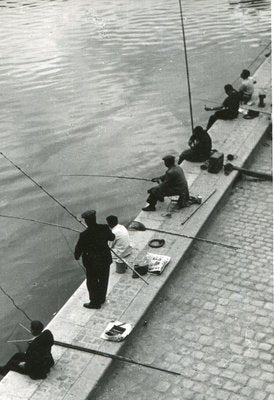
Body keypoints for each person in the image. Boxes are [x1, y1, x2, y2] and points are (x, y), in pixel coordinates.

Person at [74, 210, 115, 309]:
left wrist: (77, 256)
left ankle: (95, 303)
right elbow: (112, 238)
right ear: (95, 218)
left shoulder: (84, 235)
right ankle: (101, 298)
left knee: (92, 283)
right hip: (105, 260)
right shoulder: (104, 227)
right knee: (103, 280)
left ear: (86, 222)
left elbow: (77, 252)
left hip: (92, 263)